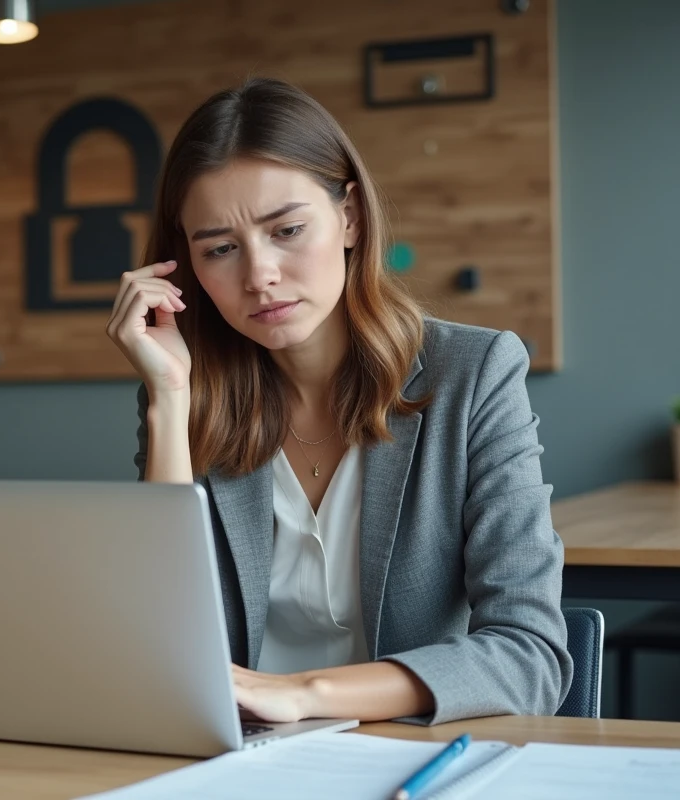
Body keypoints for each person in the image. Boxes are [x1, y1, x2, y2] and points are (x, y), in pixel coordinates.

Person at [106, 77, 571, 725]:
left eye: (287, 229)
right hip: (234, 758)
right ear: (184, 268)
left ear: (349, 217)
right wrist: (167, 397)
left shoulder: (475, 374)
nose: (259, 274)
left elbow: (529, 657)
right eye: (220, 249)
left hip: (406, 752)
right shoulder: (188, 391)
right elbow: (162, 643)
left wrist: (302, 694)